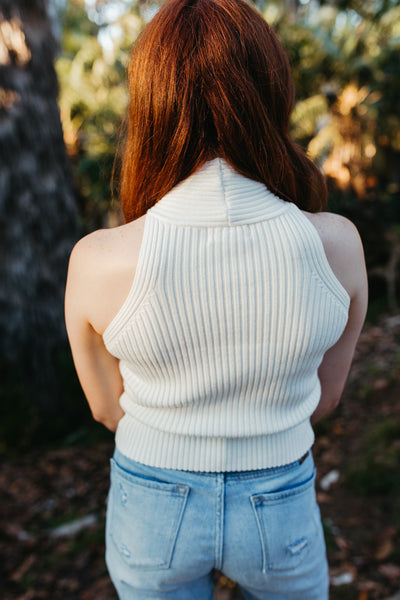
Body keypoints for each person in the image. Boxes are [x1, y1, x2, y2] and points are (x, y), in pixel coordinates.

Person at [65, 0, 368, 598]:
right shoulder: (335, 244)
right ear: (271, 90)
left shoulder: (99, 259)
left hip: (154, 498)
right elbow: (325, 398)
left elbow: (106, 408)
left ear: (151, 103)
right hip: (278, 495)